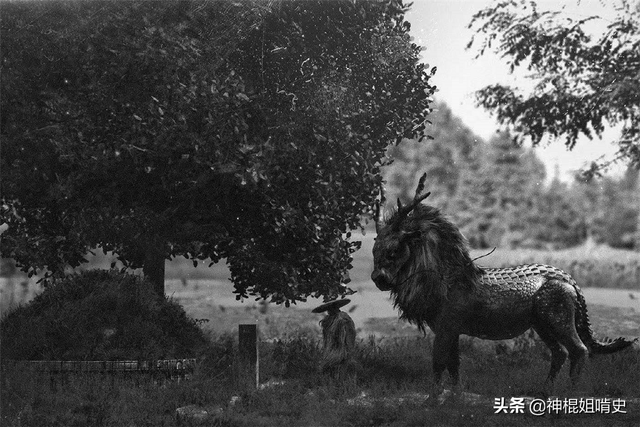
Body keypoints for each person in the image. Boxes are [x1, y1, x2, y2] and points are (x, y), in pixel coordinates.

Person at [312, 299, 356, 381]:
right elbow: (327, 337)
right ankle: (333, 383)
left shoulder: (343, 319)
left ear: (336, 307)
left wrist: (349, 348)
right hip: (332, 348)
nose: (329, 310)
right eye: (328, 309)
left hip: (342, 348)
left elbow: (350, 333)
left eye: (332, 308)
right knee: (330, 367)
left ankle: (342, 383)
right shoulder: (327, 321)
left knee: (342, 365)